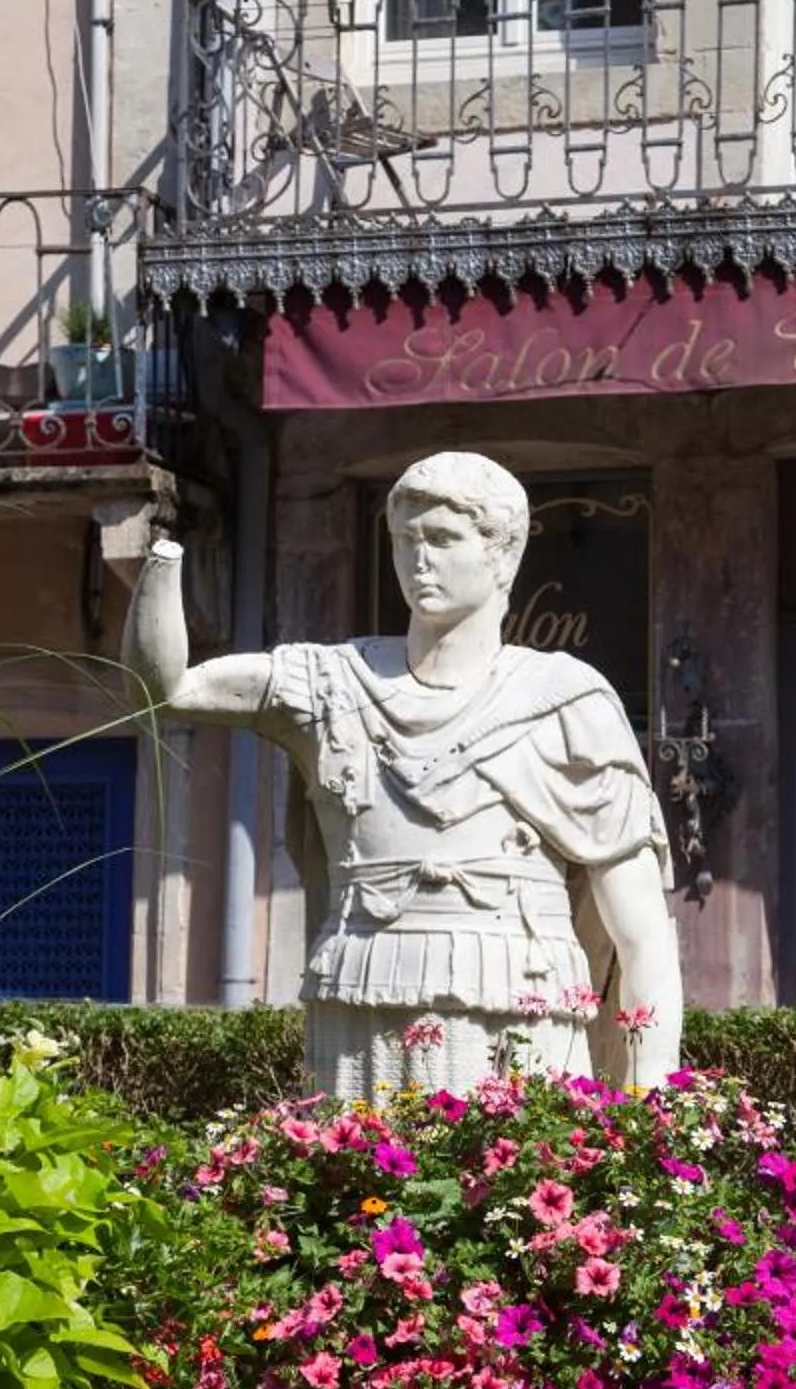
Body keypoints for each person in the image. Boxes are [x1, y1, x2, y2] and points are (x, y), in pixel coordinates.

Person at [125, 450, 683, 1101]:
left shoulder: (564, 701)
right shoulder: (331, 684)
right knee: (356, 1195)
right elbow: (162, 693)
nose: (420, 559)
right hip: (361, 1008)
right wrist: (163, 564)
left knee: (519, 1189)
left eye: (444, 539)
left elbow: (642, 938)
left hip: (521, 1012)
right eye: (405, 540)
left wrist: (650, 1108)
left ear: (502, 556)